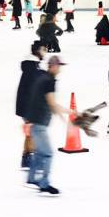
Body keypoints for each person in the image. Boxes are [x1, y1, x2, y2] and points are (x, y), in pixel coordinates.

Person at [25, 54, 70, 196]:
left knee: (40, 153)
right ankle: (44, 183)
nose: (60, 69)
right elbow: (52, 103)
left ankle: (32, 178)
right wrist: (70, 113)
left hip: (33, 121)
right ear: (54, 66)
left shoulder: (42, 78)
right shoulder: (49, 81)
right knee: (48, 153)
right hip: (39, 123)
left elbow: (48, 103)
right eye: (60, 66)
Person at [15, 42, 48, 170]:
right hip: (28, 107)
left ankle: (28, 159)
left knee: (32, 133)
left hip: (27, 106)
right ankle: (30, 159)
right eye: (44, 49)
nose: (45, 52)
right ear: (38, 50)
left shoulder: (32, 66)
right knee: (34, 133)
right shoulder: (32, 68)